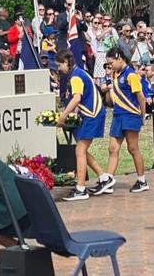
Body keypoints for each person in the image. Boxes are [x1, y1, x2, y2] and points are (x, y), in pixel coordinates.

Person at [90, 47, 148, 195]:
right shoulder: (115, 75)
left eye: (111, 63)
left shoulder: (131, 75)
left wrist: (143, 114)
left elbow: (141, 97)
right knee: (113, 148)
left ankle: (142, 180)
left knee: (133, 148)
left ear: (120, 59)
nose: (109, 66)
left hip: (130, 114)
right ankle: (108, 179)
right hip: (118, 115)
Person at [55, 50, 107, 201]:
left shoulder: (76, 76)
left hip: (92, 115)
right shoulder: (79, 72)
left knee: (80, 150)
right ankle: (104, 177)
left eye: (59, 65)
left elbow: (77, 98)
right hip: (92, 113)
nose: (59, 69)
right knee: (81, 149)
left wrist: (63, 116)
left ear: (66, 62)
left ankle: (81, 188)